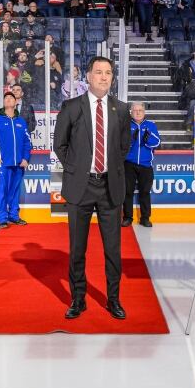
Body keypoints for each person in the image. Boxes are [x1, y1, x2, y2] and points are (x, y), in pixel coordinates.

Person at [53, 56, 131, 320]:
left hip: (110, 188)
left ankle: (113, 299)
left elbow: (123, 147)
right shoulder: (72, 106)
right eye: (98, 72)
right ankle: (78, 299)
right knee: (77, 249)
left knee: (113, 250)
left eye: (108, 72)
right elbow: (59, 145)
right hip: (80, 187)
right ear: (88, 76)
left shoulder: (120, 109)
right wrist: (76, 169)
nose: (104, 77)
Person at [0, 91, 33, 228]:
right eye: (6, 98)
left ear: (15, 103)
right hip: (3, 163)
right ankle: (2, 218)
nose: (9, 99)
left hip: (19, 164)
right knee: (2, 190)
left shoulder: (21, 122)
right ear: (4, 103)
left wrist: (26, 158)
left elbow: (27, 142)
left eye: (11, 98)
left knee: (15, 191)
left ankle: (14, 216)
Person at [122, 103, 160, 228]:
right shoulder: (126, 125)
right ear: (131, 112)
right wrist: (131, 140)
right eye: (135, 110)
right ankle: (127, 218)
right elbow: (121, 144)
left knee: (145, 192)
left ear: (144, 112)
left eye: (140, 110)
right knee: (128, 192)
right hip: (129, 164)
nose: (138, 112)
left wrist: (147, 139)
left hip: (146, 165)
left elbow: (157, 142)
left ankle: (145, 218)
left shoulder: (151, 125)